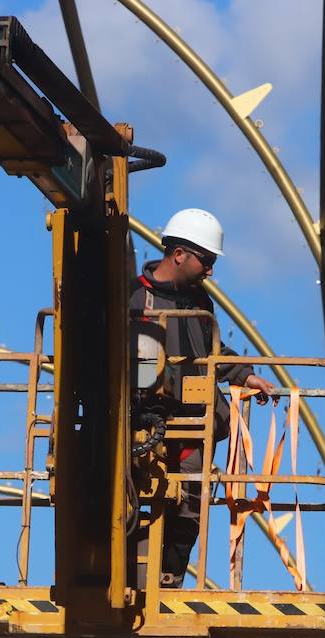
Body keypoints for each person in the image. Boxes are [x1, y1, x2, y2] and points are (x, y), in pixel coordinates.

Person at [129, 208, 275, 586]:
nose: (210, 270)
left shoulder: (198, 302)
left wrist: (246, 375)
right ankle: (124, 567)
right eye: (206, 261)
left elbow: (209, 351)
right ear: (179, 254)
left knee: (191, 500)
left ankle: (169, 573)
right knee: (122, 493)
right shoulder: (133, 300)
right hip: (139, 424)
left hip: (192, 423)